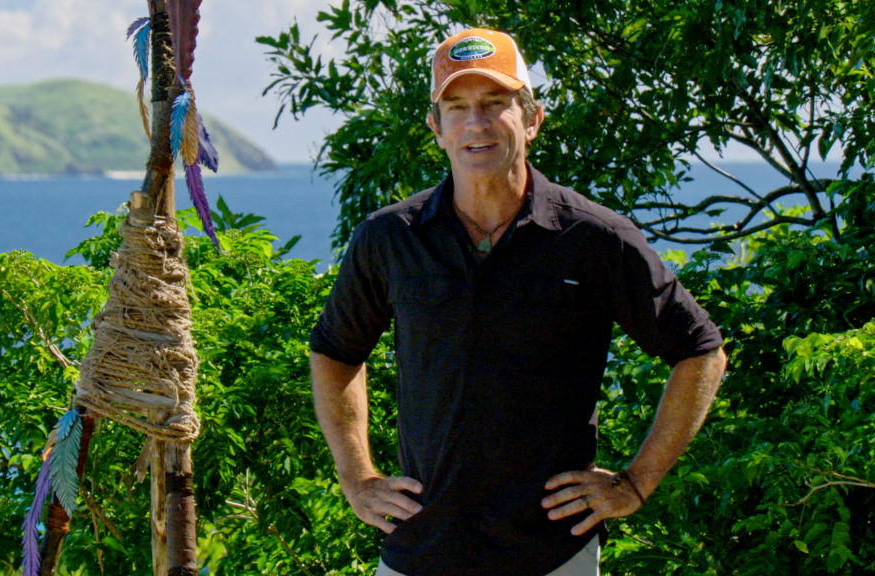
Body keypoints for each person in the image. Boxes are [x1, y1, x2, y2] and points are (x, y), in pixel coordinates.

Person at [308, 27, 727, 576]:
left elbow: (700, 352)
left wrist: (635, 483)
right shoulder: (390, 237)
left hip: (552, 554)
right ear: (436, 128)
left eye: (494, 103)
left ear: (531, 120)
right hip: (420, 550)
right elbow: (335, 352)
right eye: (456, 107)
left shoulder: (594, 238)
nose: (475, 124)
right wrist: (358, 478)